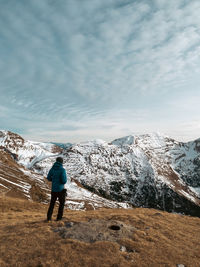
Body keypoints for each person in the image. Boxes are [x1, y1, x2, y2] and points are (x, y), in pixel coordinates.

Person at [46, 157, 67, 221]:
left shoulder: (52, 169)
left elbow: (48, 178)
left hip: (53, 190)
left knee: (52, 204)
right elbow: (64, 181)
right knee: (61, 204)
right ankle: (59, 218)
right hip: (60, 190)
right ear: (61, 162)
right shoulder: (62, 170)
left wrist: (54, 180)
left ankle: (49, 218)